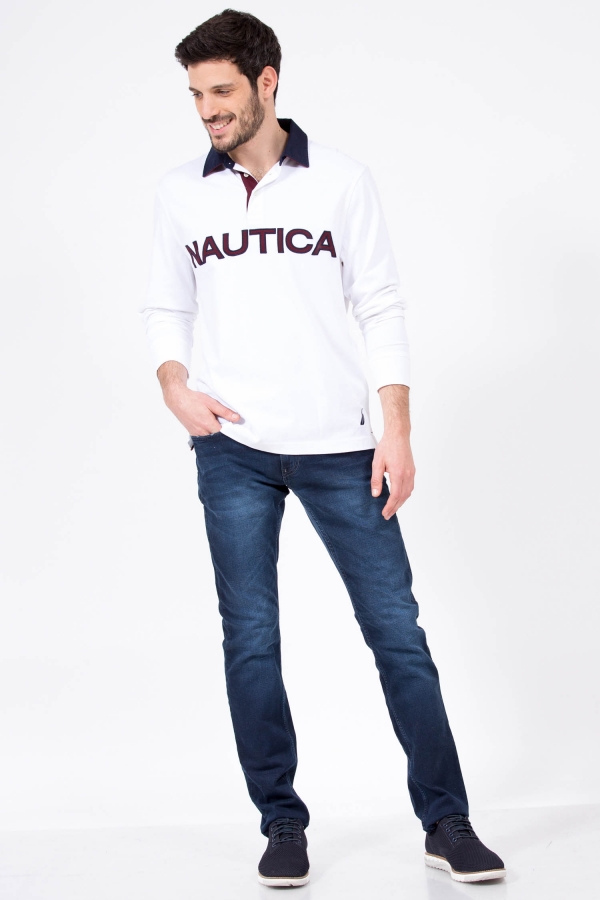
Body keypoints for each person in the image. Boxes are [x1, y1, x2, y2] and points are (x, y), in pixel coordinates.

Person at [139, 7, 506, 888]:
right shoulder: (181, 194)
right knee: (250, 639)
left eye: (222, 91)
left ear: (267, 83)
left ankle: (446, 820)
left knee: (397, 634)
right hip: (232, 449)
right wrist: (174, 385)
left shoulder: (341, 181)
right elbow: (166, 304)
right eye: (195, 94)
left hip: (343, 448)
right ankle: (281, 824)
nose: (207, 110)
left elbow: (380, 303)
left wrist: (397, 429)